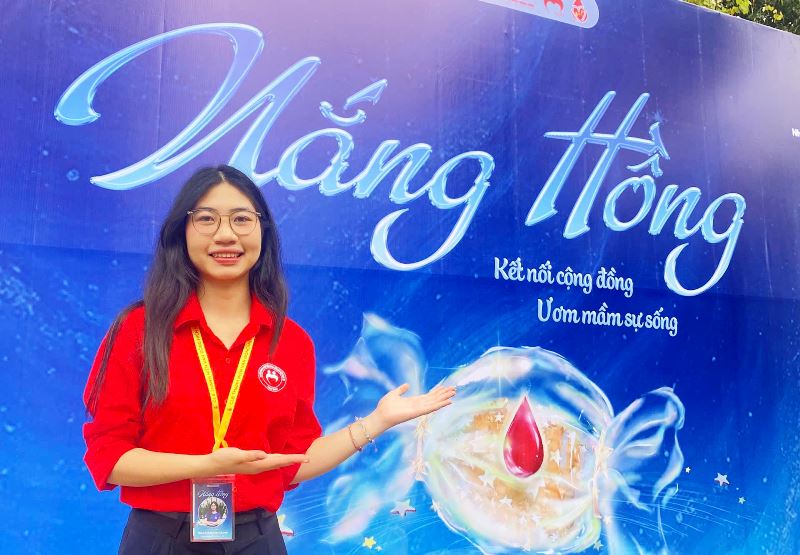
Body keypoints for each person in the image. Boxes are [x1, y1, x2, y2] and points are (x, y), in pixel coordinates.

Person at [83, 165, 456, 554]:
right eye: (207, 219)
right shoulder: (139, 329)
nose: (226, 234)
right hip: (161, 537)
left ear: (263, 231)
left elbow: (291, 462)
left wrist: (378, 421)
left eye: (241, 219)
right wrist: (208, 466)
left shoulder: (292, 342)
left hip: (257, 538)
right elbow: (110, 458)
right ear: (182, 231)